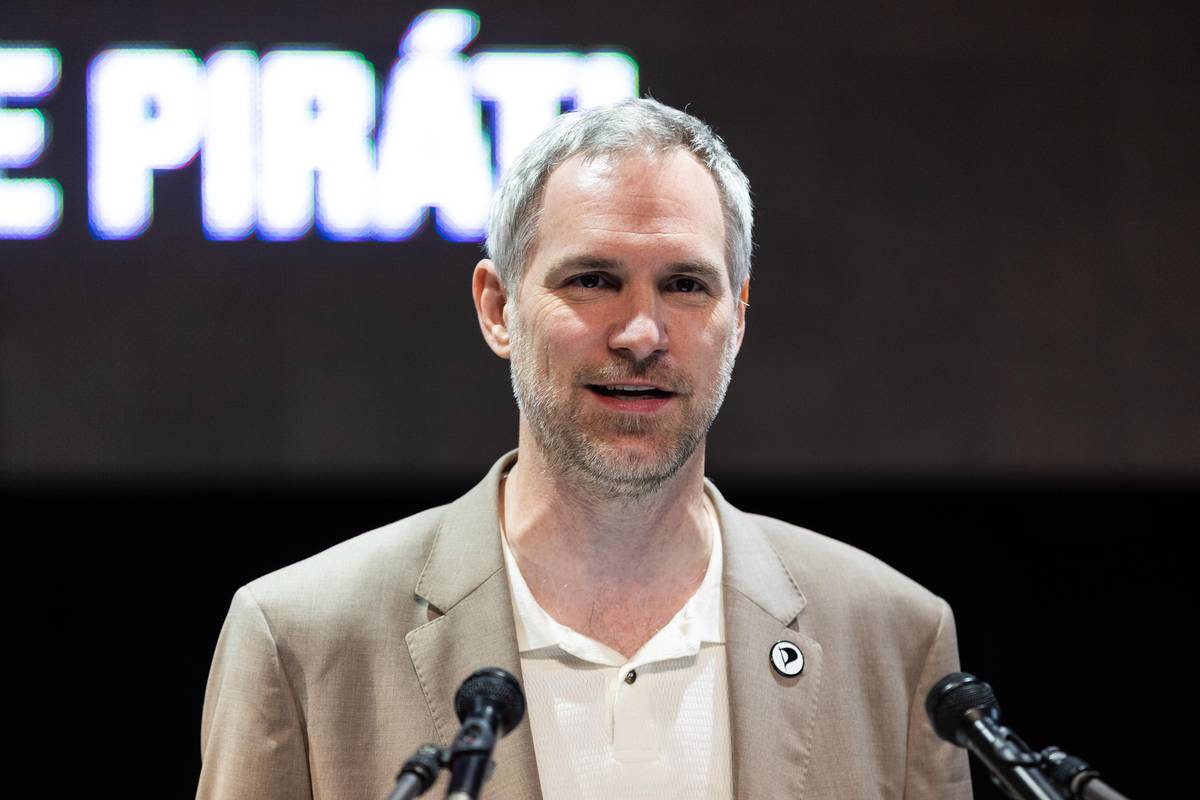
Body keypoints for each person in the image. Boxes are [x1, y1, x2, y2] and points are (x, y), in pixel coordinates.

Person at [196, 98, 973, 800]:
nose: (641, 334)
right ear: (497, 307)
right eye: (594, 280)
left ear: (737, 318)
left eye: (686, 285)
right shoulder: (303, 639)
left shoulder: (894, 640)